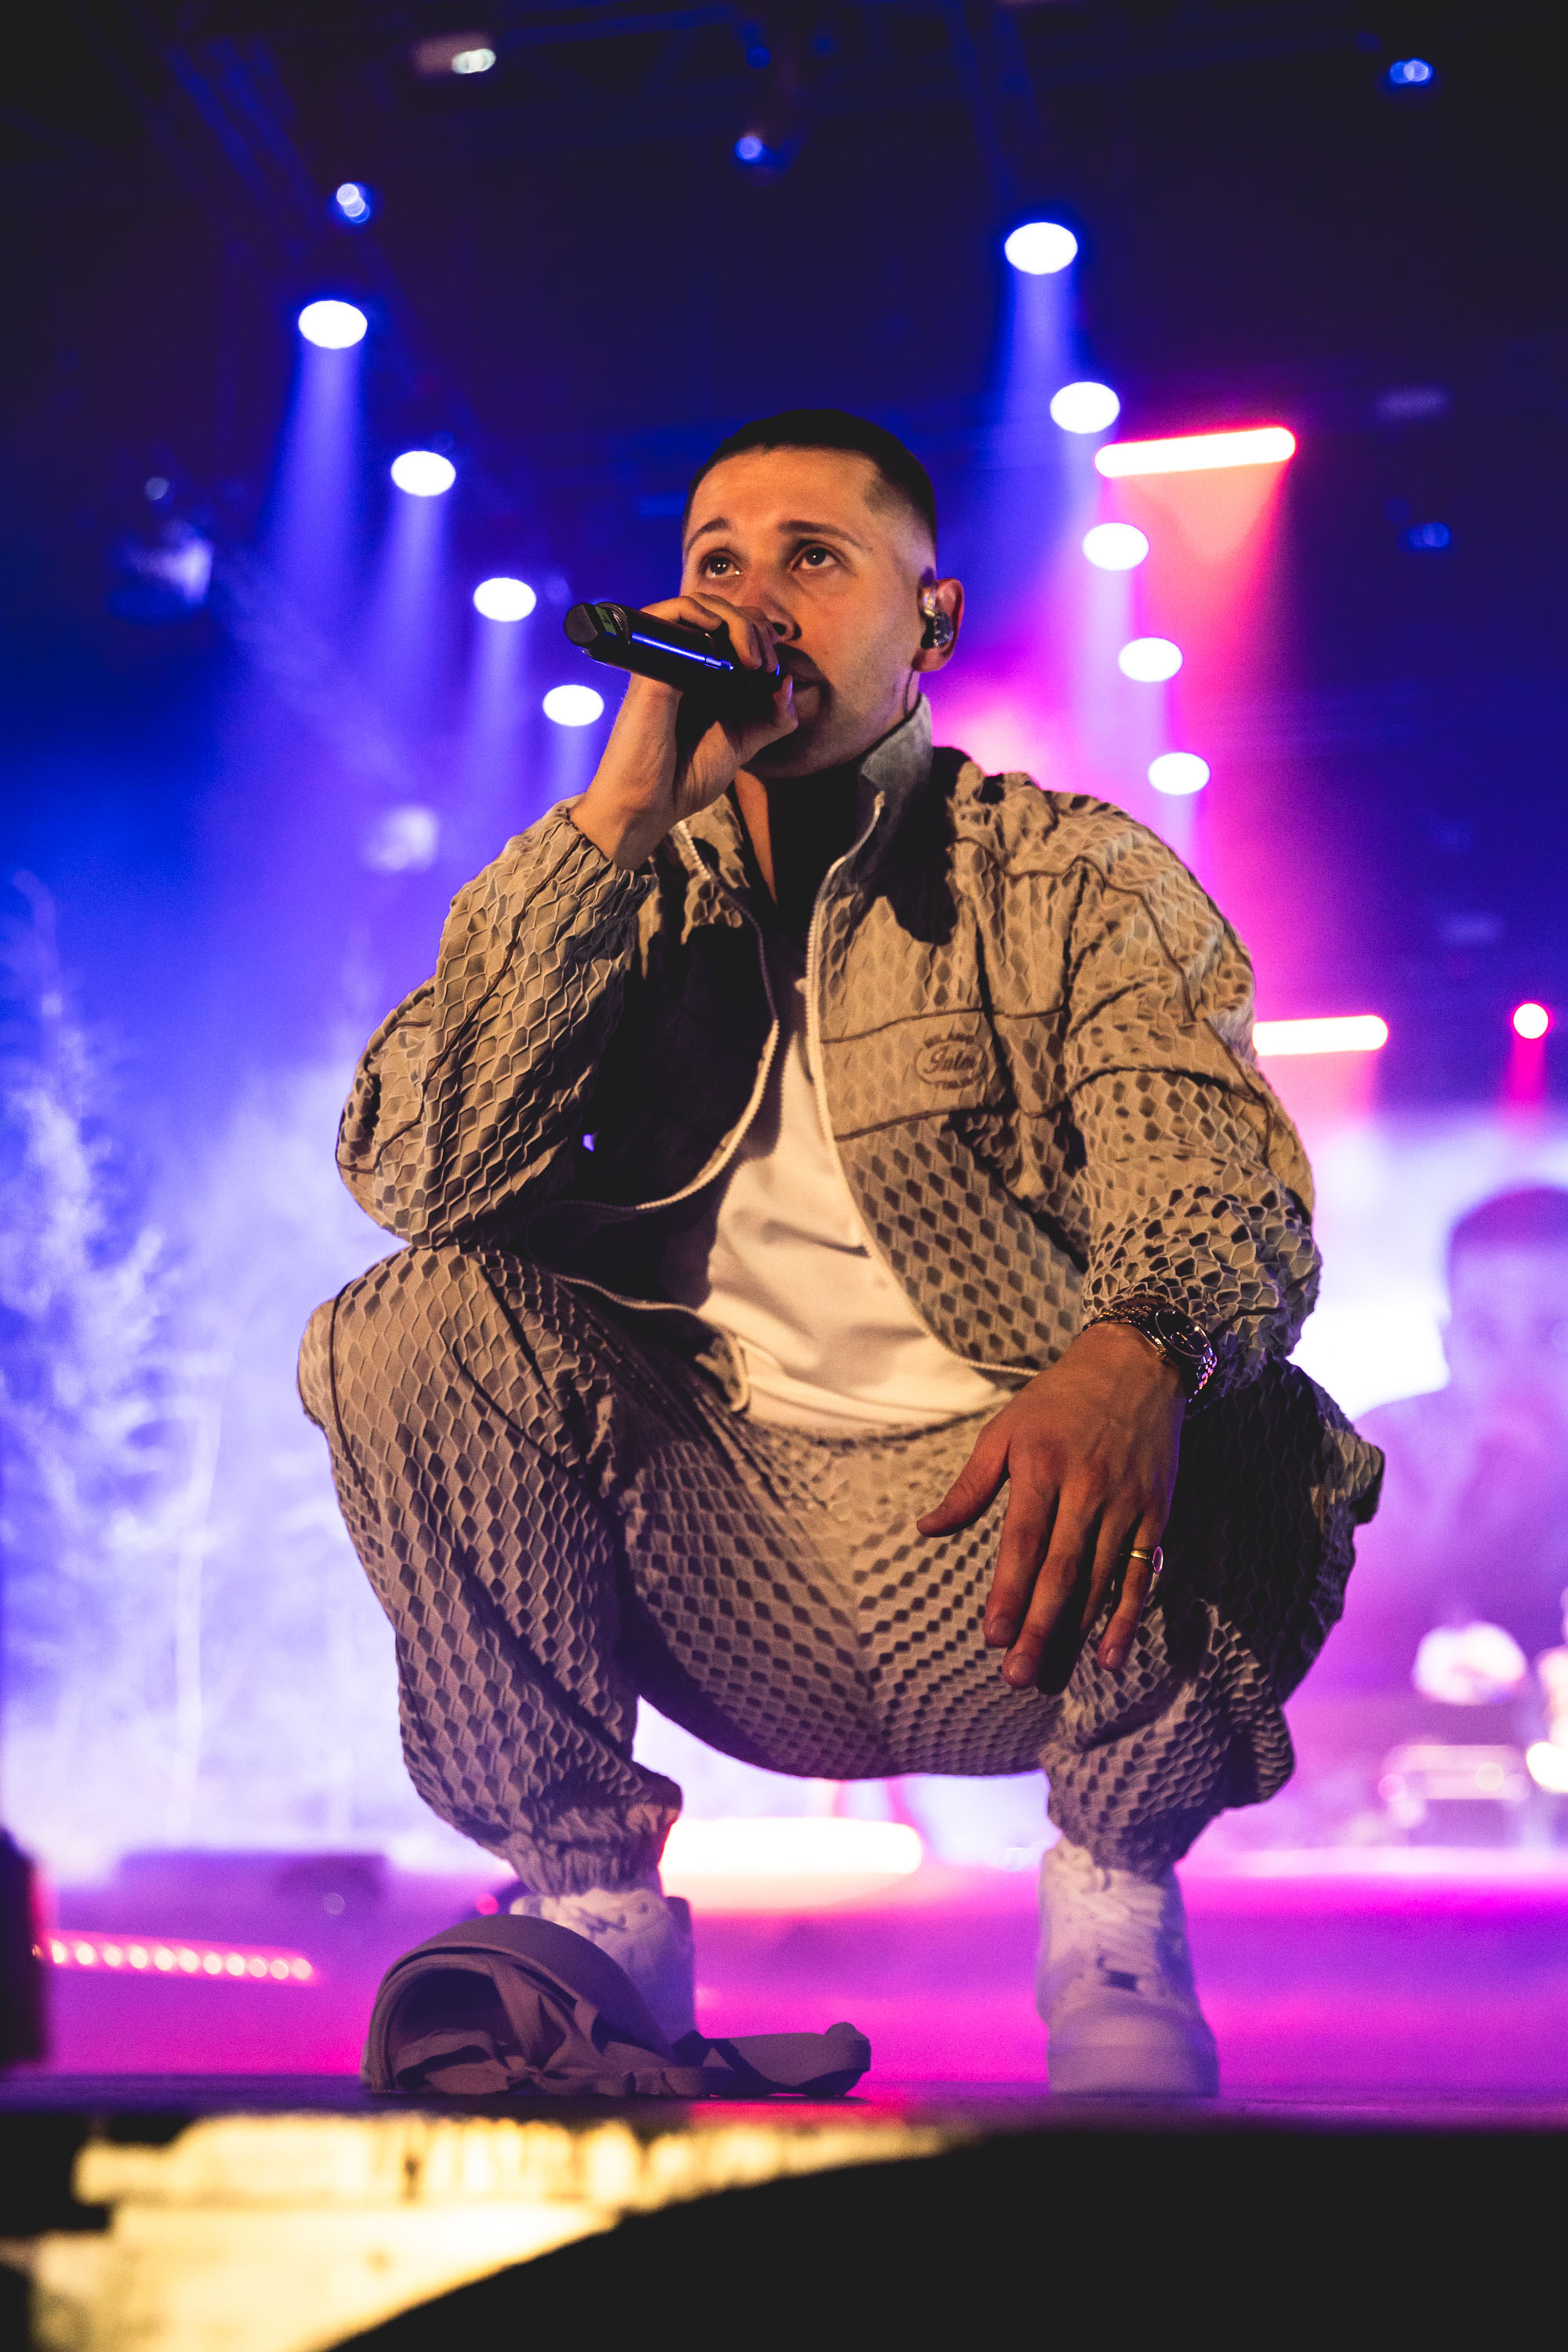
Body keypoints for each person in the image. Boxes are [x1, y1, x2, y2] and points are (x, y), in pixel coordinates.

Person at [299, 408, 1381, 2096]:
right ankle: (595, 1933)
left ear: (929, 621)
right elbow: (417, 1170)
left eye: (812, 558)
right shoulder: (620, 888)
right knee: (402, 1321)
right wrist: (617, 823)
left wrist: (1135, 1352)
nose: (752, 603)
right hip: (710, 1545)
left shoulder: (1070, 876)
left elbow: (1215, 1174)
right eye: (715, 562)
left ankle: (1112, 1907)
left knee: (1238, 1391)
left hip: (1019, 1552)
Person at [1313, 1187, 1568, 1695]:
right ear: (1447, 1343)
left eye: (1556, 1334)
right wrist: (1442, 1529)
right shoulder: (1377, 1458)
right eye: (1483, 1335)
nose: (1516, 1374)